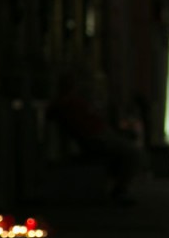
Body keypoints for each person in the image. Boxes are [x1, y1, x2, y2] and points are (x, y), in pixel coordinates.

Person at [48, 72, 144, 205]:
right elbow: (82, 127)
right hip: (96, 139)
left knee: (130, 150)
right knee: (132, 153)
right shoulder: (65, 103)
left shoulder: (76, 101)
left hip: (101, 135)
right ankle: (120, 189)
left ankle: (119, 187)